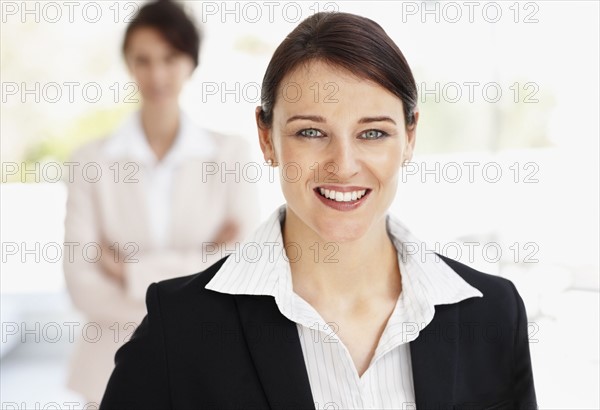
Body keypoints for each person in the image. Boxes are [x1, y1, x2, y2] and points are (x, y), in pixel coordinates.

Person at [99, 11, 537, 410]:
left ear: (410, 136)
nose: (343, 166)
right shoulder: (180, 327)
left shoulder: (494, 315)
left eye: (373, 134)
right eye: (310, 131)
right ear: (267, 138)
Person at [62, 0, 260, 404]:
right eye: (143, 60)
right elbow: (82, 286)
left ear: (190, 62)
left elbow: (242, 271)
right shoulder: (89, 162)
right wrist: (201, 267)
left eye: (170, 58)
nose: (157, 74)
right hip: (108, 371)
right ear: (128, 64)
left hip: (207, 368)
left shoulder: (230, 155)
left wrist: (128, 270)